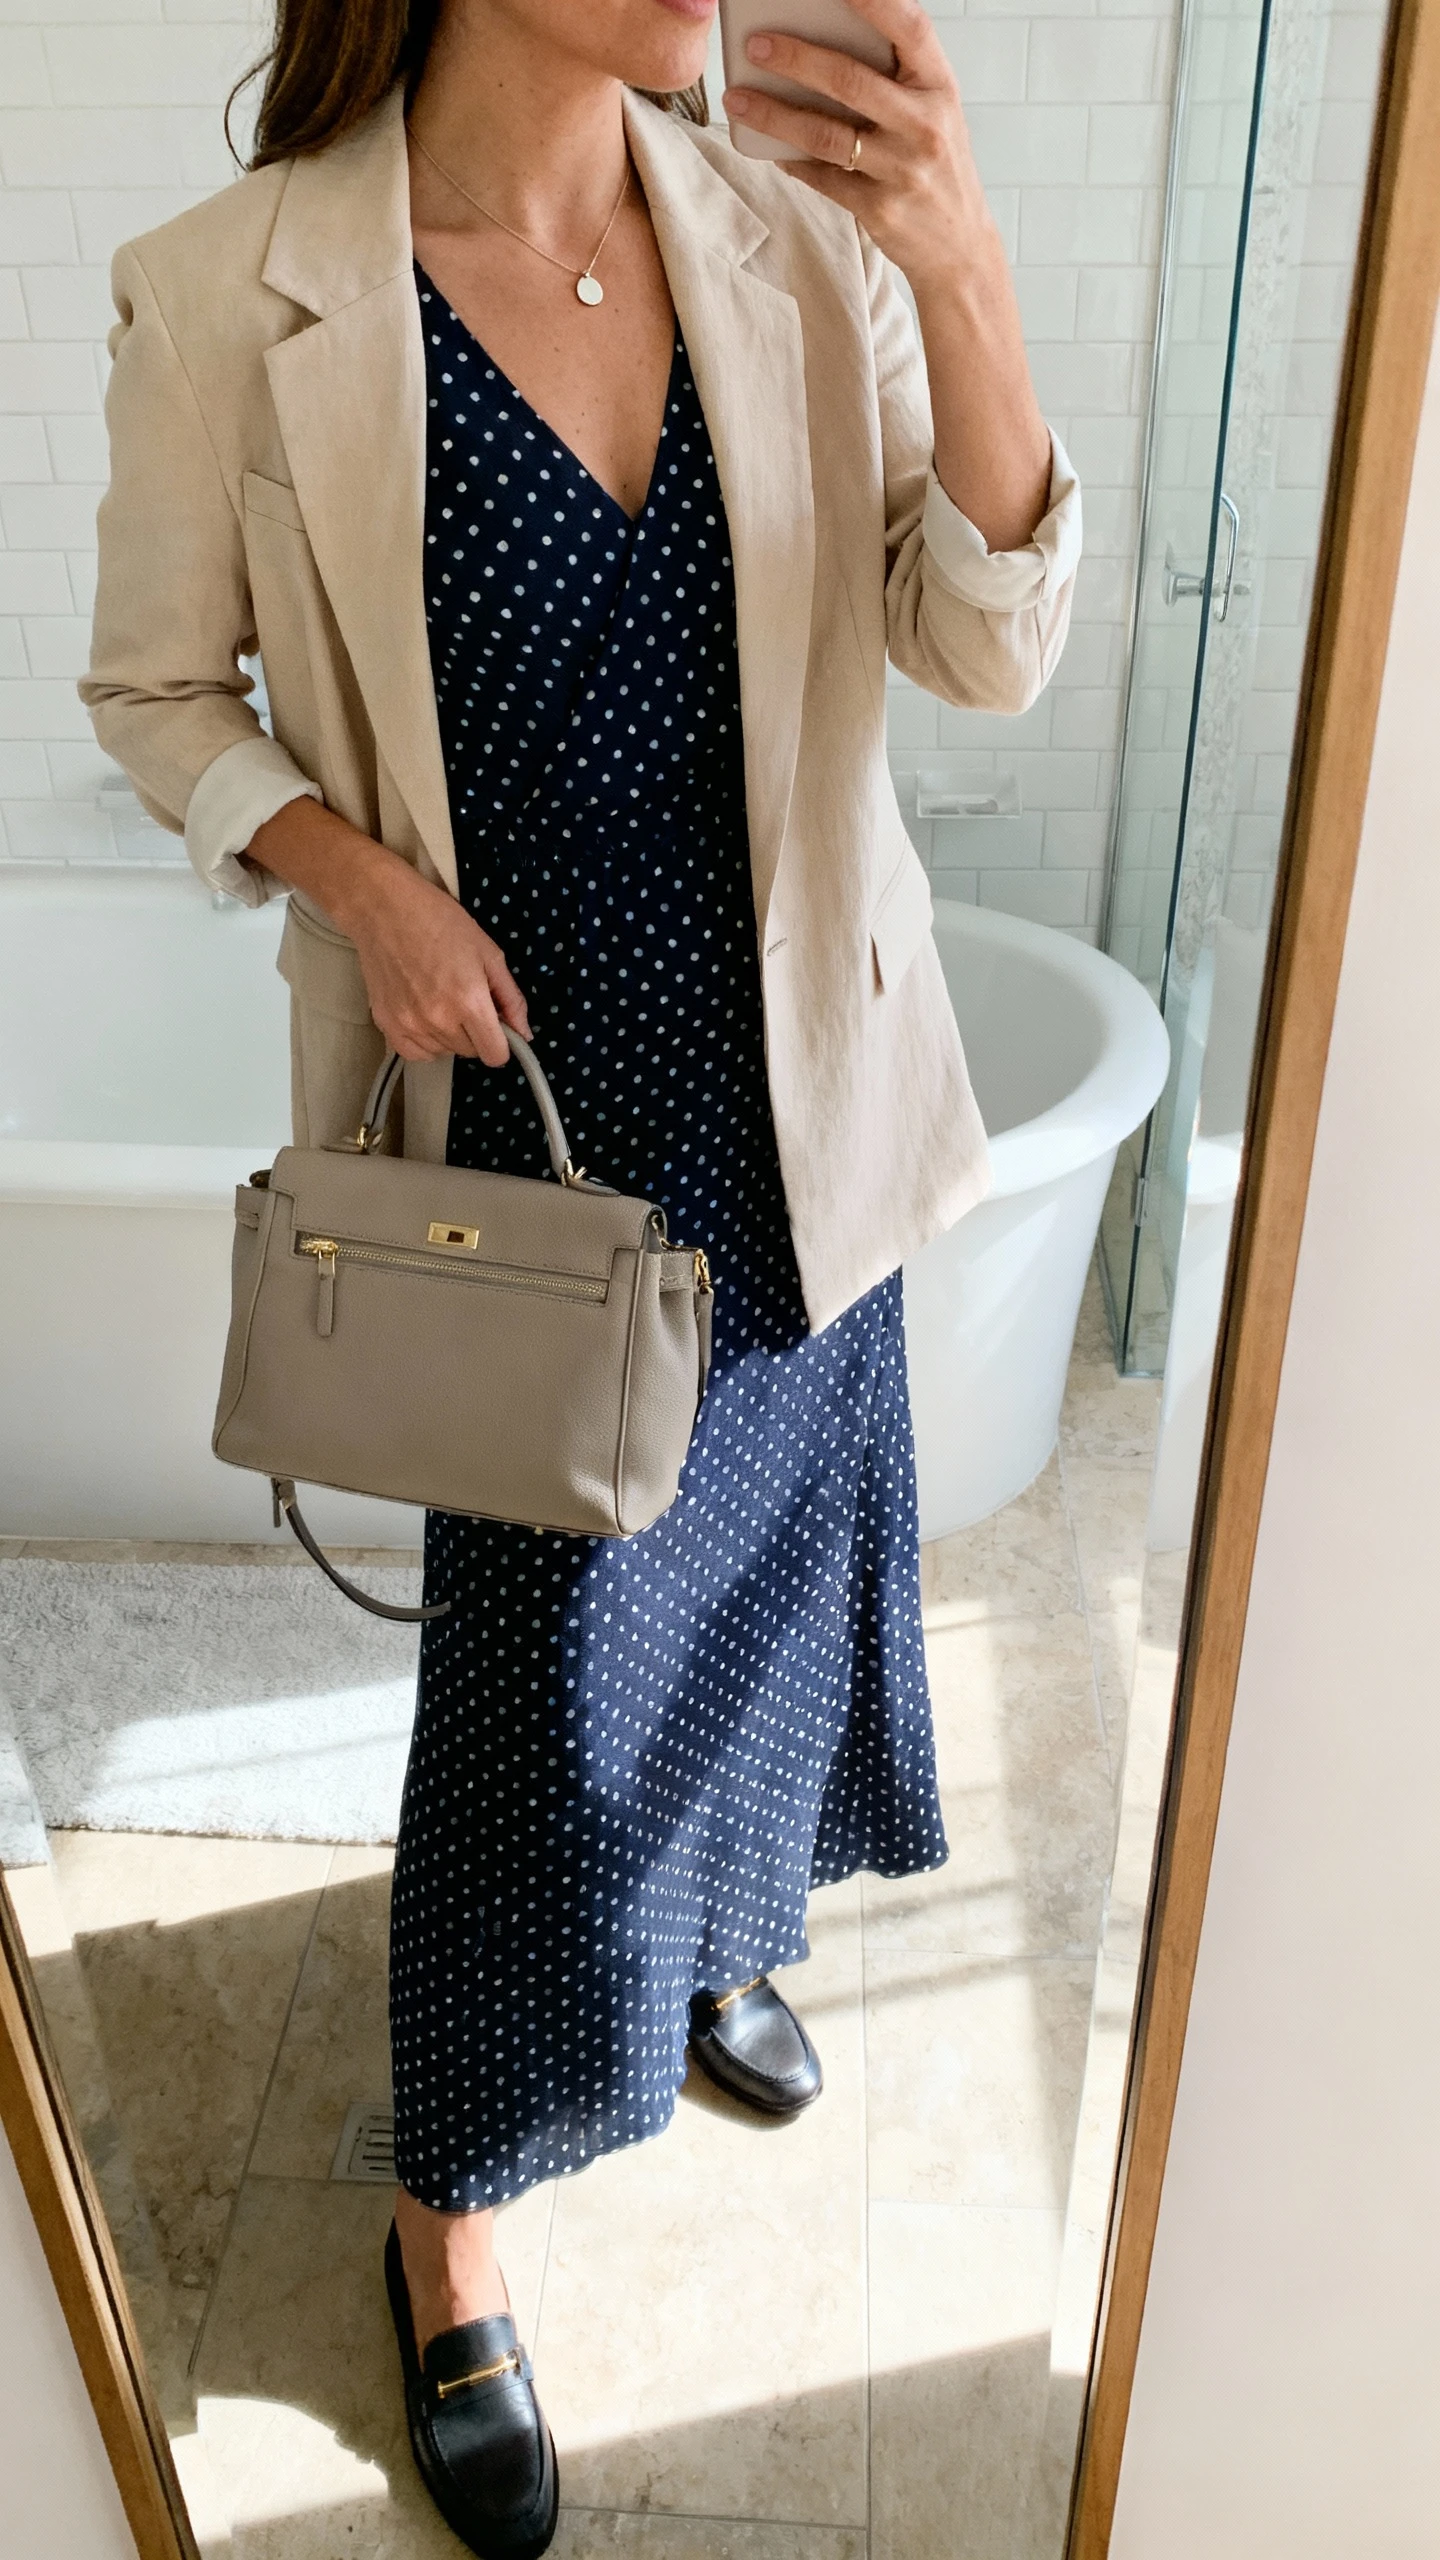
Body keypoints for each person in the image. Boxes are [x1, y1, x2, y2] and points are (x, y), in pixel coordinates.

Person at [81, 1, 1079, 2549]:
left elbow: (986, 641)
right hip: (525, 1142)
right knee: (539, 1697)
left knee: (772, 1582)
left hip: (801, 1095)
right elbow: (158, 694)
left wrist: (963, 269)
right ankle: (455, 2226)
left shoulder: (801, 239)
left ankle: (715, 1937)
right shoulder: (230, 290)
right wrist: (354, 879)